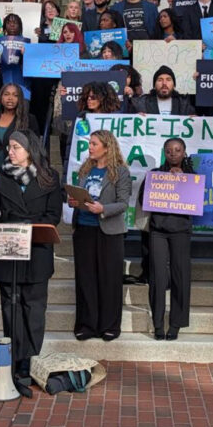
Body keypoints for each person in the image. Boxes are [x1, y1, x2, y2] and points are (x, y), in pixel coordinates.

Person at [0, 130, 63, 388]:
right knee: (10, 305)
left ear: (30, 149)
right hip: (7, 249)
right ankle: (13, 358)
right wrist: (7, 226)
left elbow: (53, 215)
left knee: (34, 307)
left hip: (37, 251)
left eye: (16, 146)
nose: (10, 151)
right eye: (9, 147)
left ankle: (29, 358)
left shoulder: (49, 177)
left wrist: (29, 225)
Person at [69, 130, 132, 341]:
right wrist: (75, 202)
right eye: (90, 144)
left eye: (94, 144)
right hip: (84, 230)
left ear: (107, 147)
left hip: (109, 232)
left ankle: (110, 326)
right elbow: (81, 196)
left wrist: (102, 208)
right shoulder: (85, 170)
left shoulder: (120, 172)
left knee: (109, 279)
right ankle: (87, 324)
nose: (90, 147)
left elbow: (123, 203)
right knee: (86, 279)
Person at [139, 138, 195, 341]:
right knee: (158, 278)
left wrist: (183, 180)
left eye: (177, 150)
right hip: (158, 232)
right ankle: (158, 324)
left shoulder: (192, 176)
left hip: (180, 231)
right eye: (169, 150)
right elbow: (142, 200)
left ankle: (176, 324)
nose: (173, 154)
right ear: (164, 152)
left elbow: (198, 201)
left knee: (180, 277)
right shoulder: (155, 175)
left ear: (184, 152)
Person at [0, 83, 39, 174]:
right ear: (1, 97)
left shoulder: (28, 119)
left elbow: (35, 146)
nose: (10, 98)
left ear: (20, 99)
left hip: (16, 168)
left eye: (15, 95)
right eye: (6, 94)